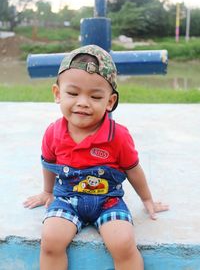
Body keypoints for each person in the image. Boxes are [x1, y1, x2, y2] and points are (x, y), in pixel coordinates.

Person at [24, 44, 168, 270]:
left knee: (123, 243)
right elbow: (49, 163)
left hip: (108, 200)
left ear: (110, 102)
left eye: (95, 96)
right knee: (51, 240)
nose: (83, 102)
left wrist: (147, 199)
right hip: (67, 199)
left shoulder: (118, 136)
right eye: (73, 93)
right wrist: (47, 191)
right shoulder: (53, 132)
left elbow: (133, 169)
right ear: (57, 94)